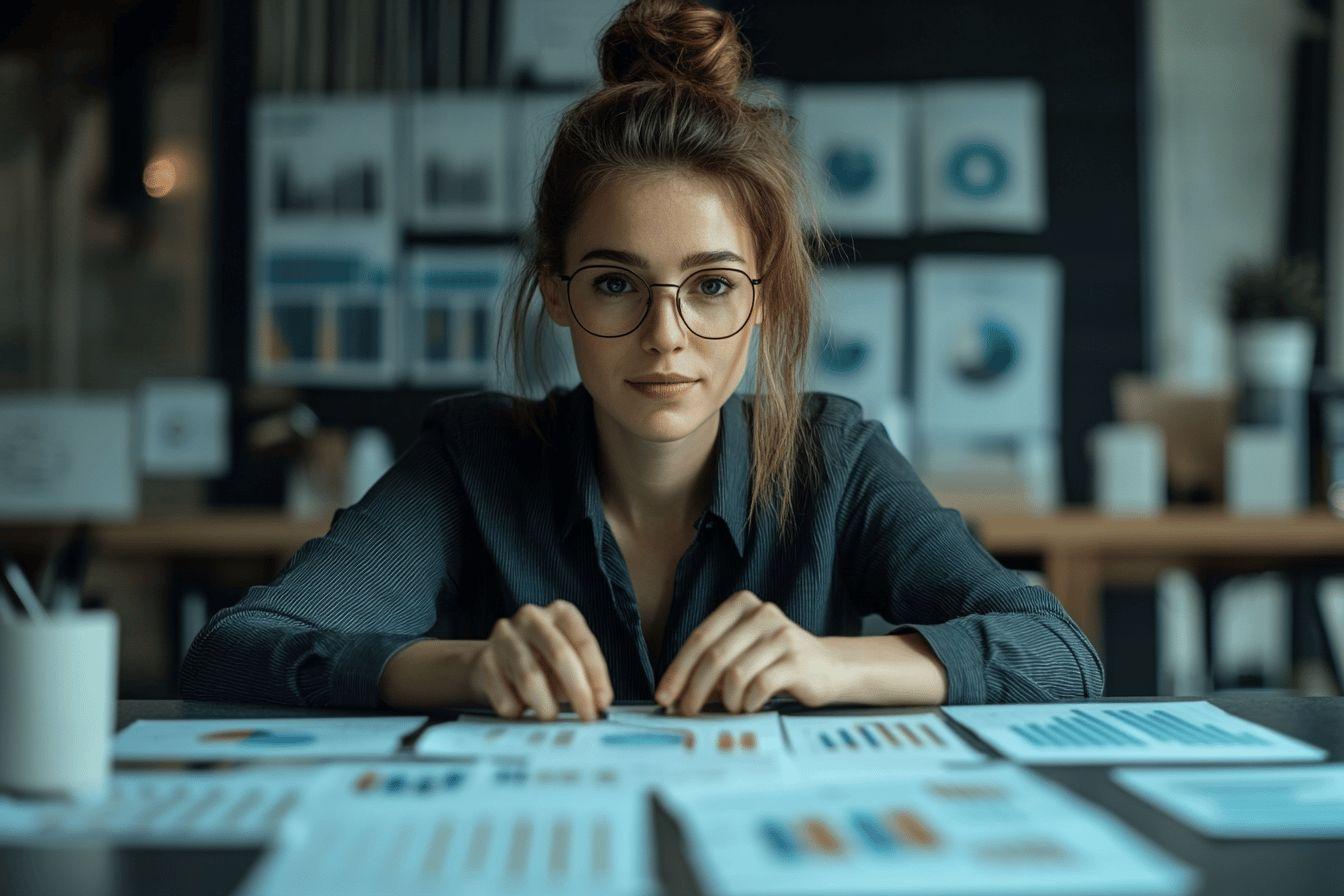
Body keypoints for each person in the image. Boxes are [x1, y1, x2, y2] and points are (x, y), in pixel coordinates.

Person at [180, 0, 1103, 721]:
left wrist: (829, 664)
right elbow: (233, 651)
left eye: (712, 285)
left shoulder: (834, 459)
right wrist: (467, 666)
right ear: (556, 290)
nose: (667, 335)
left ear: (762, 295)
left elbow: (1058, 652)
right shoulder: (473, 459)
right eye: (617, 284)